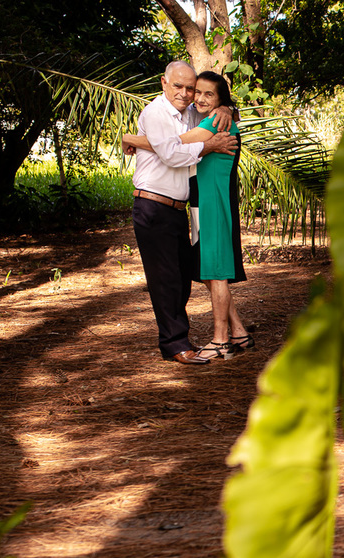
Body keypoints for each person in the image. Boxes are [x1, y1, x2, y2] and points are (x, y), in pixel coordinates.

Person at [124, 71, 252, 361]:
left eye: (208, 94)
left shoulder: (211, 120)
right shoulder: (179, 114)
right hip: (183, 206)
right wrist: (225, 108)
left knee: (212, 274)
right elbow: (172, 147)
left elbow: (175, 145)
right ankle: (235, 333)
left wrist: (132, 138)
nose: (196, 97)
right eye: (198, 92)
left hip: (208, 205)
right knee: (203, 274)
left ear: (221, 99)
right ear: (164, 83)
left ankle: (222, 340)